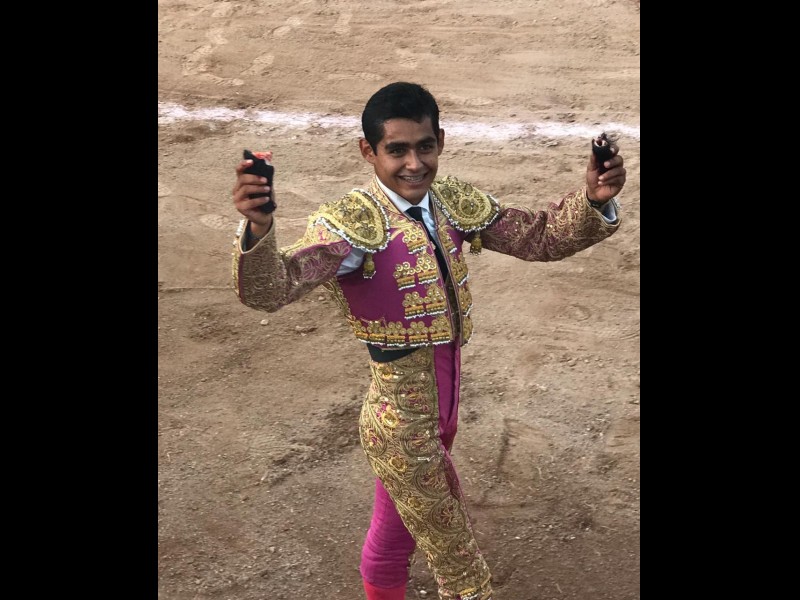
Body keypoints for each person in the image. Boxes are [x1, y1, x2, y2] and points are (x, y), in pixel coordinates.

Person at [230, 81, 626, 600]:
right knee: (461, 570)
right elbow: (270, 289)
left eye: (424, 146)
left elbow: (538, 237)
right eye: (396, 150)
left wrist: (594, 201)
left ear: (440, 141)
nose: (414, 164)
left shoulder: (451, 202)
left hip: (443, 407)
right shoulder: (350, 226)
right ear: (368, 151)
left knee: (396, 530)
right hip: (401, 425)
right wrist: (259, 231)